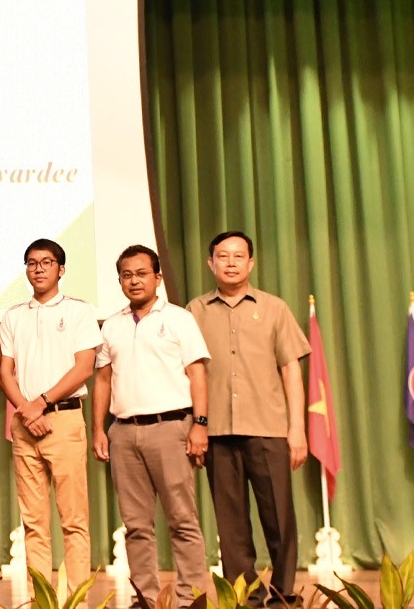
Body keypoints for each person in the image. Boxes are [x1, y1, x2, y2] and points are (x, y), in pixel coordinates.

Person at [186, 231, 310, 606]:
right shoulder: (195, 310)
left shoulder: (274, 308)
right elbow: (189, 371)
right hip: (217, 430)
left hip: (268, 429)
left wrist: (297, 428)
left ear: (251, 263)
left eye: (239, 256)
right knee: (231, 523)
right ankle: (245, 596)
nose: (231, 262)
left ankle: (284, 592)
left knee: (279, 518)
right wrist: (197, 425)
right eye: (223, 256)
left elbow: (291, 370)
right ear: (211, 263)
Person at [92, 245, 210, 607]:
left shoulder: (178, 318)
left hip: (171, 427)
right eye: (127, 275)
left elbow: (197, 373)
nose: (134, 280)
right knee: (136, 525)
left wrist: (200, 424)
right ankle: (146, 597)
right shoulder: (111, 324)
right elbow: (102, 381)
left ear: (158, 277)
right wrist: (99, 429)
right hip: (124, 432)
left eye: (142, 273)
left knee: (182, 520)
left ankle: (192, 598)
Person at [0, 240, 100, 593]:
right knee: (33, 522)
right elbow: (4, 372)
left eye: (46, 262)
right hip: (25, 424)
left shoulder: (78, 311)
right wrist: (27, 412)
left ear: (61, 269)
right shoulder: (13, 315)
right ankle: (41, 599)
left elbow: (84, 366)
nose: (38, 268)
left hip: (64, 420)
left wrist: (40, 402)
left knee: (74, 520)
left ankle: (78, 599)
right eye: (31, 263)